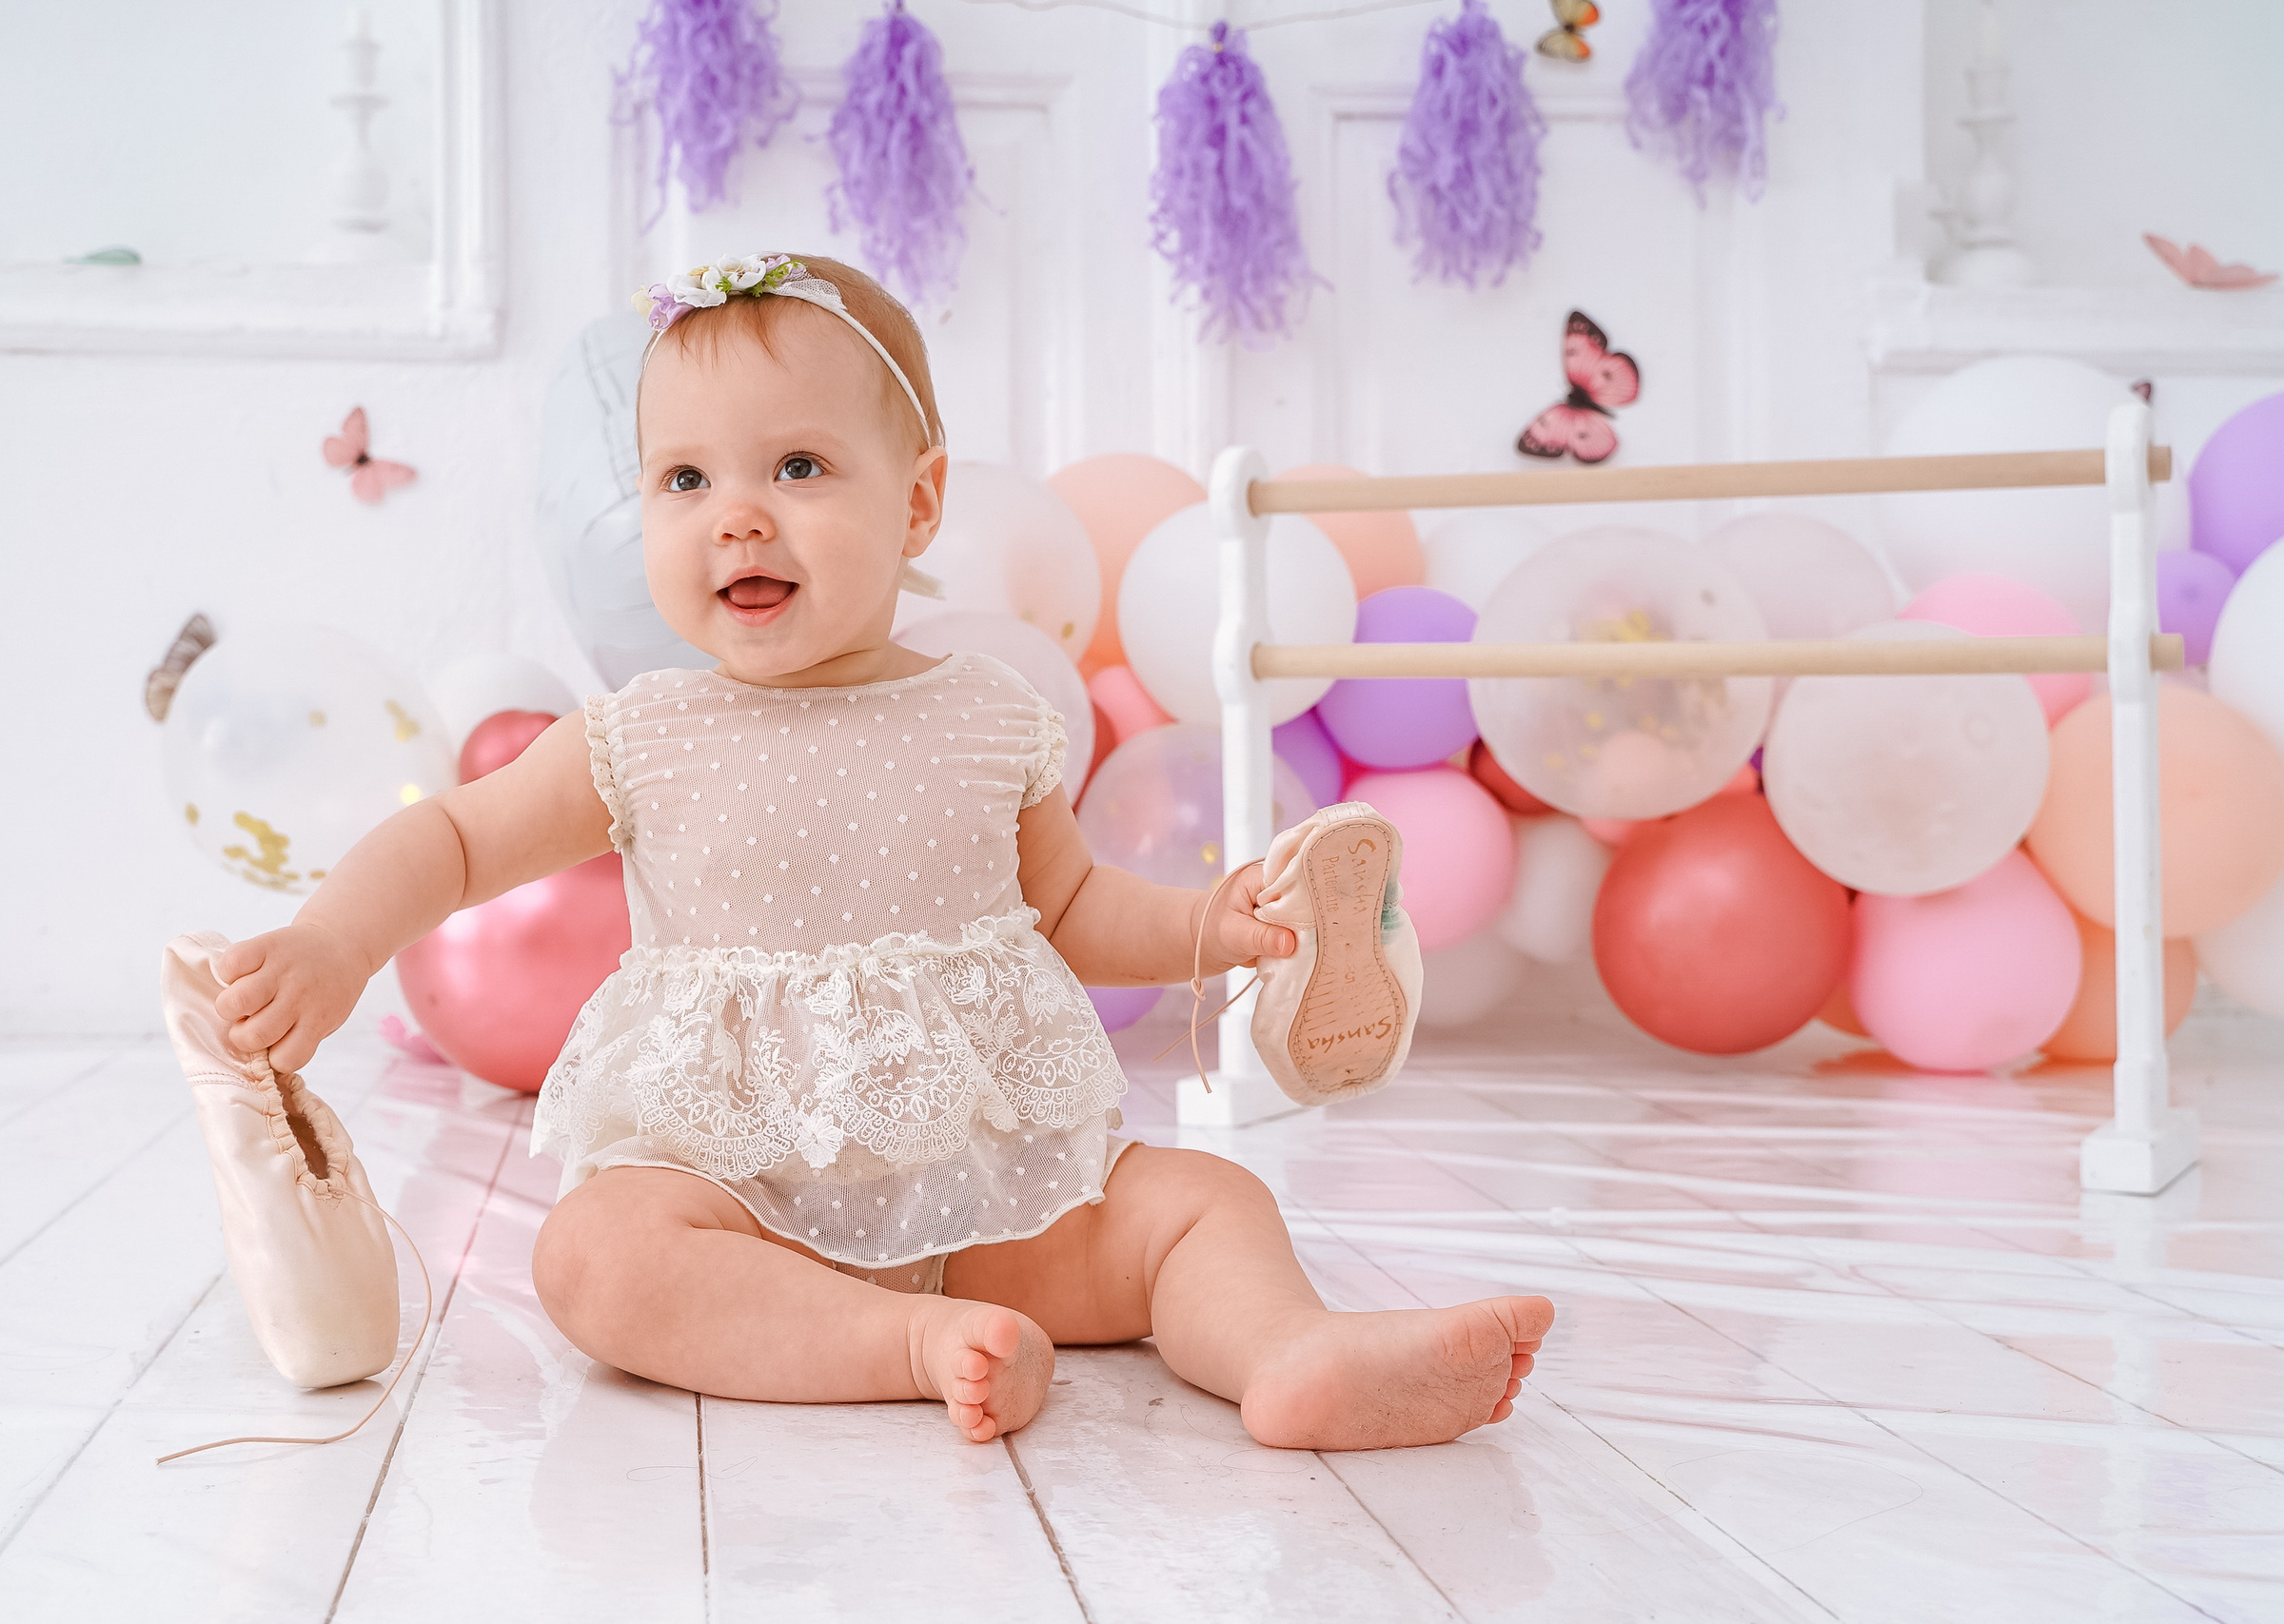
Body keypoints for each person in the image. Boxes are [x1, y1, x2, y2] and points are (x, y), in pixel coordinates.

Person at [206, 252, 1551, 1449]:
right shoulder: (645, 734)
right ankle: (895, 1351)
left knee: (1201, 1204)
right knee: (595, 1260)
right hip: (735, 1194)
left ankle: (1287, 1354)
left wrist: (1221, 928)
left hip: (986, 1203)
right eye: (684, 478)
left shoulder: (985, 714)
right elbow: (450, 836)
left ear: (918, 505)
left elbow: (1074, 905)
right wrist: (335, 938)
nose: (736, 513)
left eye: (796, 467)